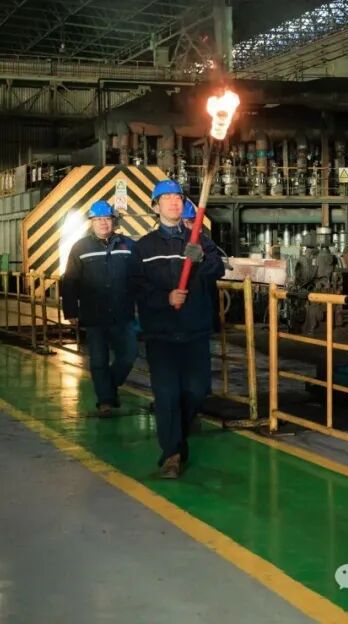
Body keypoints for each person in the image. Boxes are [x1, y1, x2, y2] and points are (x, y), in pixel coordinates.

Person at [131, 179, 224, 478]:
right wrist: (165, 298)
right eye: (166, 198)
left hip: (195, 330)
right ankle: (171, 454)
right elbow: (136, 287)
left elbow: (219, 268)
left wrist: (201, 260)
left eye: (178, 197)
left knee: (197, 390)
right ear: (155, 206)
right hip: (161, 334)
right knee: (167, 393)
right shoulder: (144, 247)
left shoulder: (200, 240)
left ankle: (177, 433)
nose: (173, 202)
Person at [61, 200, 138, 417]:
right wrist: (70, 311)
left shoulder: (128, 246)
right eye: (98, 219)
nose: (103, 223)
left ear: (114, 221)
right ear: (91, 222)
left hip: (123, 314)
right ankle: (105, 401)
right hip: (94, 314)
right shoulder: (80, 248)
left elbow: (139, 276)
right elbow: (70, 281)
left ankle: (109, 387)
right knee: (98, 361)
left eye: (107, 219)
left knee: (129, 355)